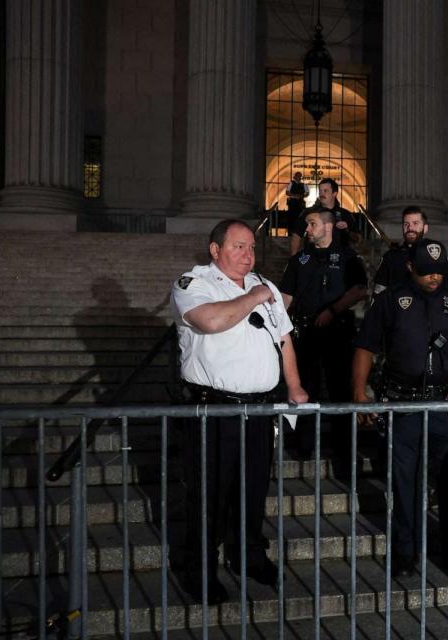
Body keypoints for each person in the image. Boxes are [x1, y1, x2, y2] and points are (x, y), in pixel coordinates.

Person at [171, 219, 308, 604]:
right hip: (213, 410)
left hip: (259, 411)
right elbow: (210, 320)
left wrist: (295, 386)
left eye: (251, 247)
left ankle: (248, 555)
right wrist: (257, 295)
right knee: (209, 493)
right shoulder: (193, 283)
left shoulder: (264, 285)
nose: (248, 255)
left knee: (252, 489)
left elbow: (284, 338)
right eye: (238, 247)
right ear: (215, 250)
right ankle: (199, 569)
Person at [352, 238, 448, 579]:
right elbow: (365, 348)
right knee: (404, 484)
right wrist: (358, 394)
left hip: (447, 405)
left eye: (439, 272)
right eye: (426, 272)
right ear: (411, 267)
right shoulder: (390, 300)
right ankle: (405, 553)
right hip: (404, 405)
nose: (434, 278)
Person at [279, 210, 368, 453]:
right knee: (306, 387)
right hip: (306, 333)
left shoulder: (348, 256)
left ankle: (344, 446)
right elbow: (286, 297)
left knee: (340, 387)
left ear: (328, 227)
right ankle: (303, 445)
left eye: (312, 224)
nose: (306, 229)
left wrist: (333, 310)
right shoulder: (299, 260)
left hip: (337, 332)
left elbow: (360, 288)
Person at [372, 205, 448, 297]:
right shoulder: (390, 257)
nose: (410, 228)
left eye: (415, 223)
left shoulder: (437, 254)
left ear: (425, 228)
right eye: (406, 224)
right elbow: (378, 294)